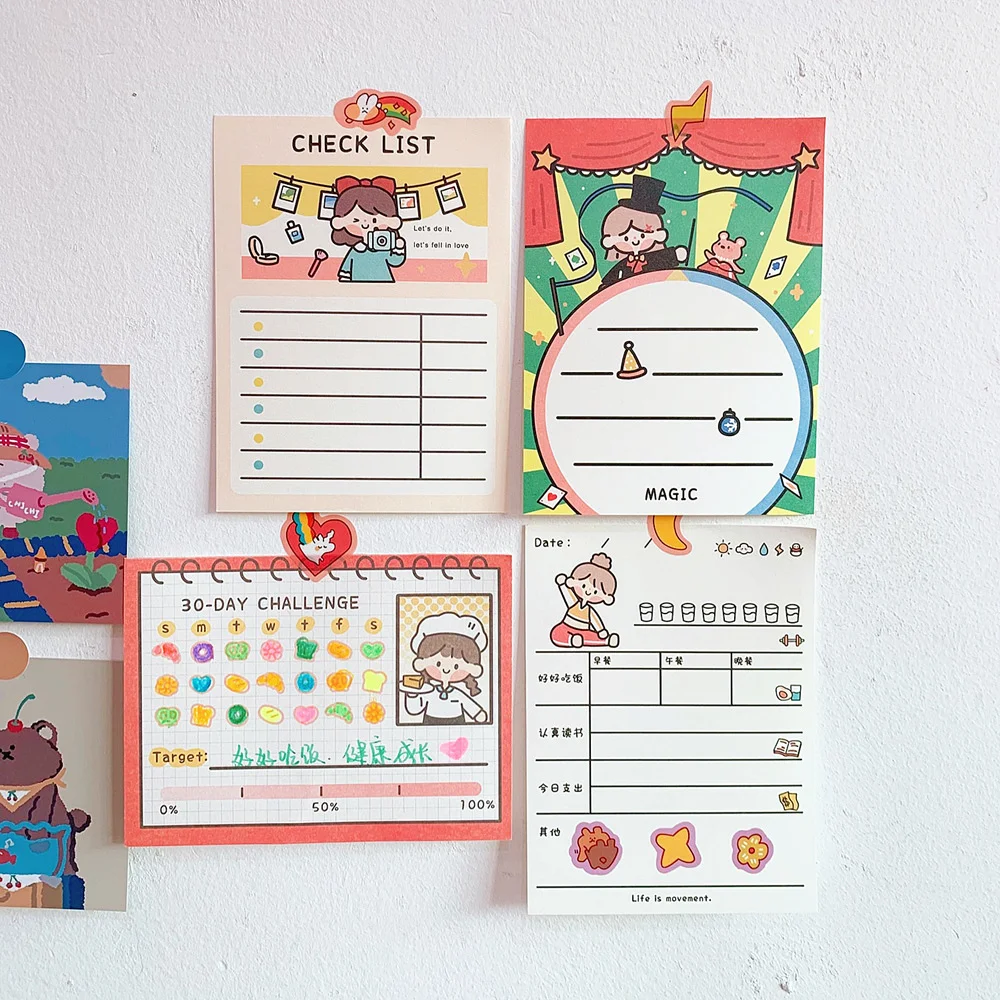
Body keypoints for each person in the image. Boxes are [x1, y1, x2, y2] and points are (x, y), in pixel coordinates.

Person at [598, 175, 688, 289]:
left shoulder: (654, 259)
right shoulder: (624, 264)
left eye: (642, 235)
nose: (635, 240)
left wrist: (676, 254)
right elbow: (611, 279)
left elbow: (667, 257)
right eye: (626, 238)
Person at [400, 613, 489, 724]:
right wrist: (412, 694)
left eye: (456, 666)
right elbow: (414, 710)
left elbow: (470, 705)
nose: (446, 670)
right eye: (438, 664)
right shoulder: (428, 691)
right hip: (430, 722)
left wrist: (477, 714)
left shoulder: (457, 694)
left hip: (457, 723)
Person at [330, 175, 406, 282]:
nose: (365, 225)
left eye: (374, 221)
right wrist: (345, 278)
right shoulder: (357, 249)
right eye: (356, 220)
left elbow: (395, 261)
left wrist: (399, 248)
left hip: (384, 282)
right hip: (356, 283)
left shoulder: (383, 248)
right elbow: (346, 267)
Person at [550, 552, 620, 648]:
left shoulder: (589, 611)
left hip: (583, 631)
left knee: (591, 636)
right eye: (583, 586)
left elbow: (595, 620)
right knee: (557, 633)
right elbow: (567, 594)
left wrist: (601, 630)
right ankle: (572, 640)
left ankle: (607, 641)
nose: (588, 592)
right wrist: (562, 585)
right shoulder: (574, 603)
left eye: (595, 592)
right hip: (566, 626)